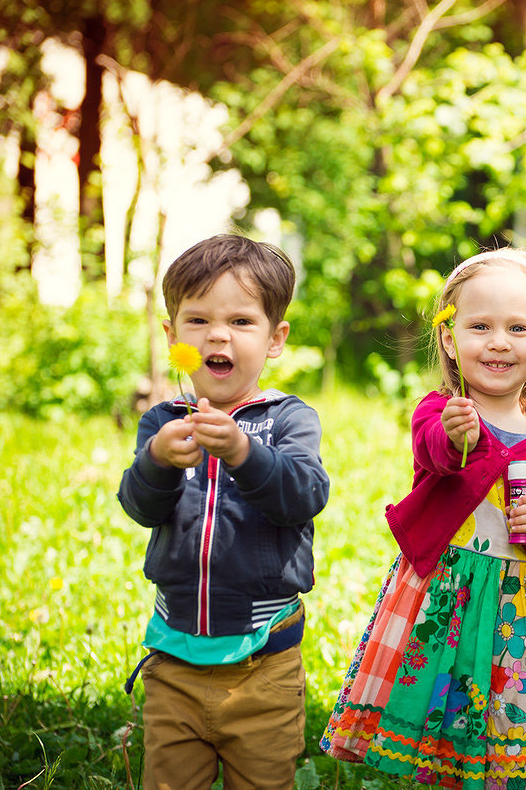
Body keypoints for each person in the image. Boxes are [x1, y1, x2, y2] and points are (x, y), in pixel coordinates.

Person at [320, 248, 526, 789]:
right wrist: (454, 436)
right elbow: (433, 454)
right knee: (439, 718)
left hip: (519, 612)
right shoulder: (440, 412)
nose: (498, 341)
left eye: (518, 328)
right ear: (451, 339)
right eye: (480, 326)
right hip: (442, 598)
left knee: (503, 721)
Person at [118, 234, 330, 790]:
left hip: (263, 664)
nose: (218, 334)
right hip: (175, 659)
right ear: (172, 336)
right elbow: (140, 506)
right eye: (197, 321)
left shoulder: (288, 419)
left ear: (275, 338)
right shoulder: (164, 420)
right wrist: (157, 460)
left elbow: (305, 494)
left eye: (240, 321)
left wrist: (242, 452)